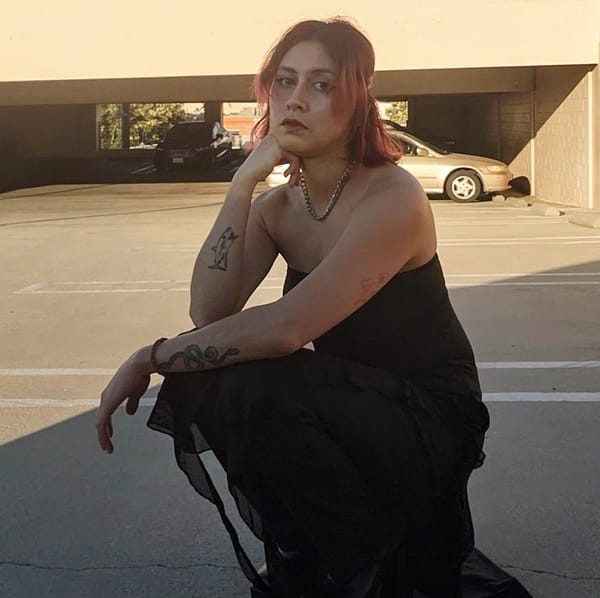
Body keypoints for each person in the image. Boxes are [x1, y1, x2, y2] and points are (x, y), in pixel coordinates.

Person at [96, 18, 532, 598]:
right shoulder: (281, 206)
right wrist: (241, 186)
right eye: (284, 81)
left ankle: (328, 561)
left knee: (248, 376)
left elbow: (286, 329)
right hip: (340, 404)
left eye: (322, 85)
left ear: (358, 103)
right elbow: (210, 310)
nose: (296, 99)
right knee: (220, 369)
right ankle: (303, 547)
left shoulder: (392, 197)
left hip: (425, 415)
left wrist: (153, 356)